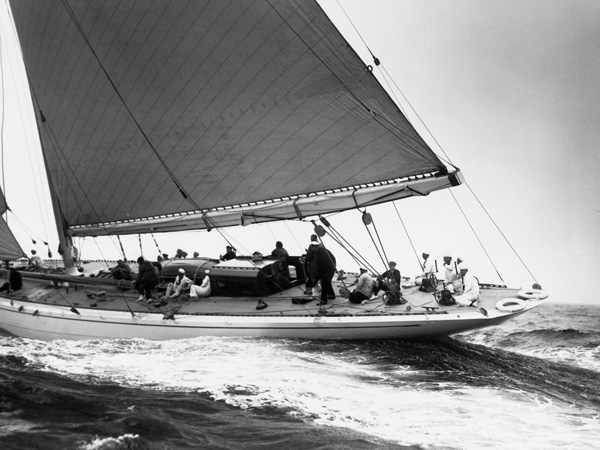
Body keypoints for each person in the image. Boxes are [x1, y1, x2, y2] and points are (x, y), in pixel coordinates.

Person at [305, 235, 336, 304]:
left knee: (324, 284)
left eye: (313, 247)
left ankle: (323, 300)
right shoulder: (322, 250)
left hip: (327, 270)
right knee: (327, 283)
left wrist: (319, 273)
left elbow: (323, 264)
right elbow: (332, 258)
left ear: (315, 247)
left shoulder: (320, 253)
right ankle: (331, 295)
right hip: (330, 269)